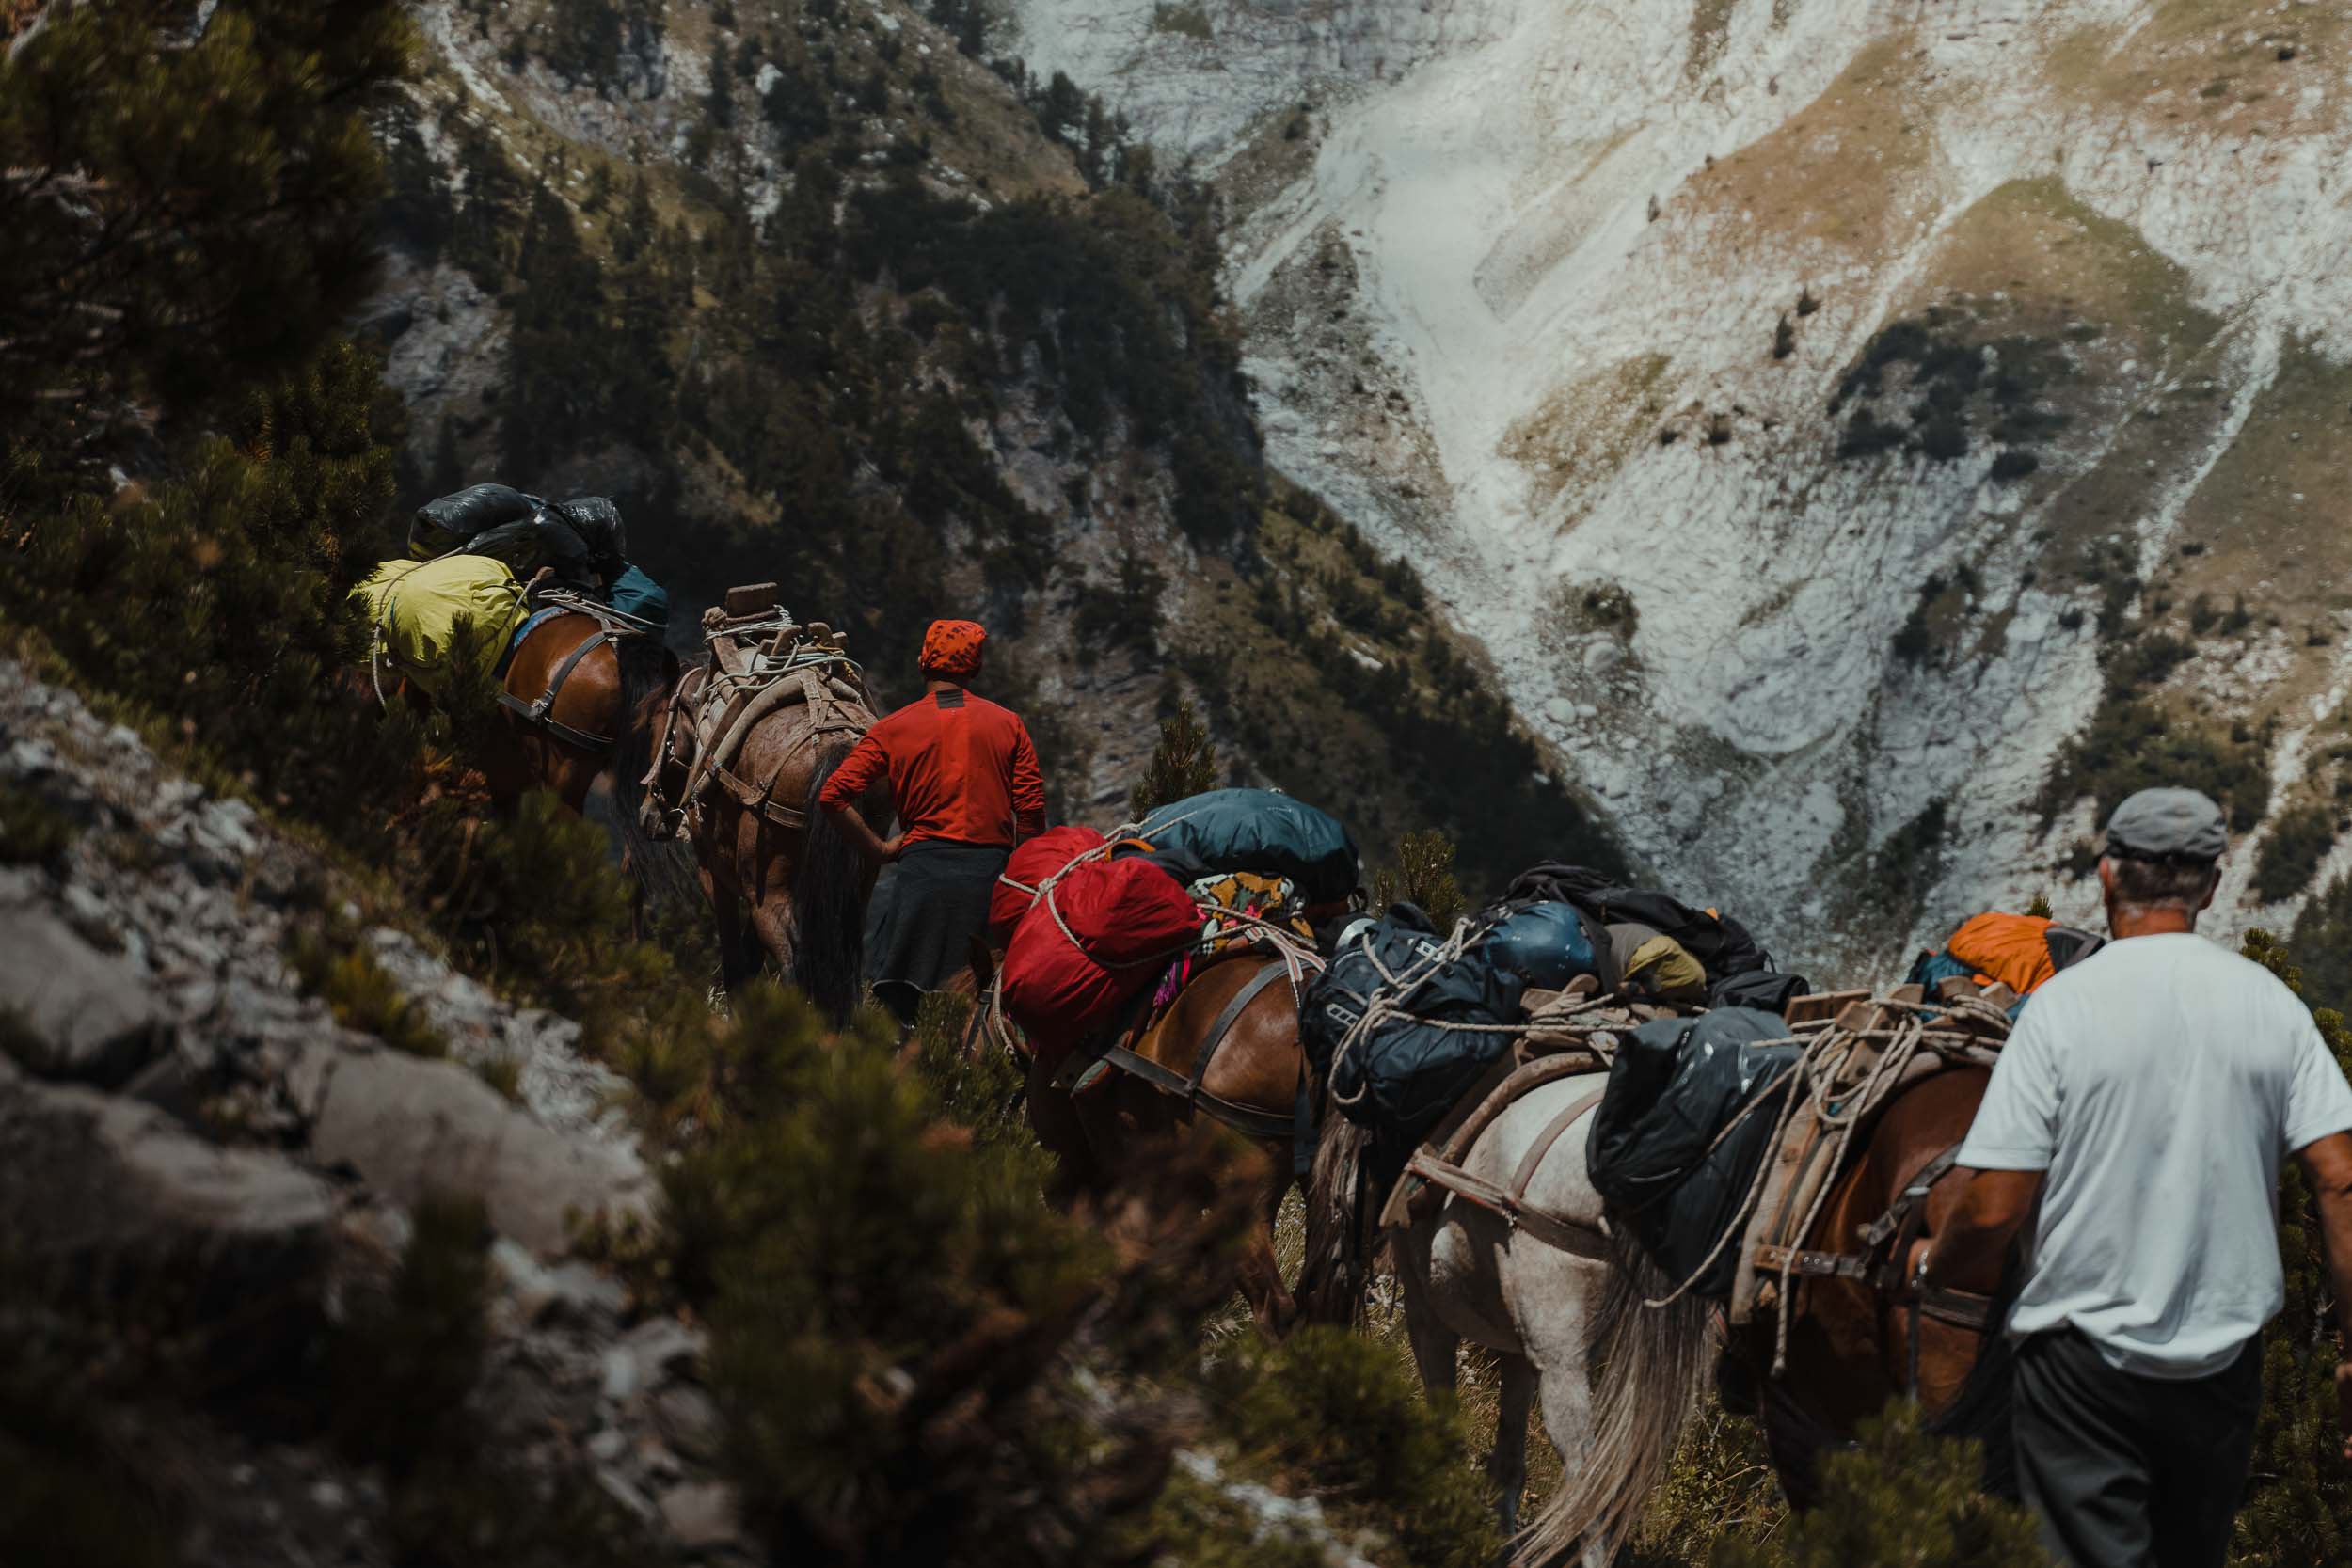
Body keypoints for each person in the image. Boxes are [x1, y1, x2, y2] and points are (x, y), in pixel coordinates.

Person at [1917, 786, 2352, 1568]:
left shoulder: (2060, 1011)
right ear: (2212, 887)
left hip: (2083, 1371)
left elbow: (1994, 1207)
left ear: (2108, 876)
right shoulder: (2273, 1006)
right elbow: (2341, 1179)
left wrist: (1933, 1265)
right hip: (2223, 1367)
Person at [818, 619, 1047, 1025]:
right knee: (985, 1008)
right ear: (974, 669)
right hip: (989, 882)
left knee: (905, 1015)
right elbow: (1030, 813)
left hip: (922, 881)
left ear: (924, 662)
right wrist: (1018, 881)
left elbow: (833, 796)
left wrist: (882, 849)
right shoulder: (1008, 724)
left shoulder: (893, 729)